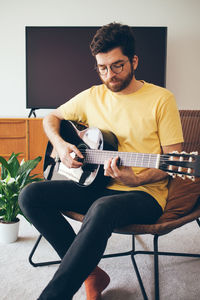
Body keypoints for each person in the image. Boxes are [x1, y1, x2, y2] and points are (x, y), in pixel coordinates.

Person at [19, 22, 184, 300]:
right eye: (102, 68)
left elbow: (174, 160)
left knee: (102, 208)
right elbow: (51, 118)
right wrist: (61, 146)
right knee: (30, 195)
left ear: (134, 61)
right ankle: (90, 272)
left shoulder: (161, 99)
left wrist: (138, 178)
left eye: (117, 66)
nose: (110, 75)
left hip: (144, 194)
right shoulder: (92, 95)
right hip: (99, 184)